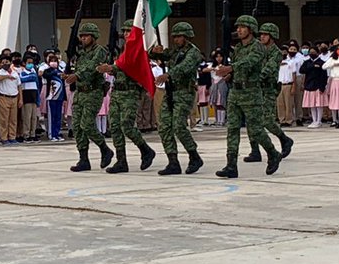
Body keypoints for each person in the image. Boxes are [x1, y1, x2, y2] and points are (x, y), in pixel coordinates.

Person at [215, 15, 279, 179]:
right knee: (232, 129)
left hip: (251, 93)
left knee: (256, 130)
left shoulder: (257, 47)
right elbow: (239, 68)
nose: (239, 30)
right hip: (235, 93)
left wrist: (230, 68)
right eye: (238, 27)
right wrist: (230, 74)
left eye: (242, 27)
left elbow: (251, 62)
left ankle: (272, 153)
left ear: (251, 29)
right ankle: (231, 165)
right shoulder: (238, 48)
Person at [98, 20, 156, 173]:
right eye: (124, 31)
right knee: (115, 127)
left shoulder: (138, 50)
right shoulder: (123, 50)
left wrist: (113, 67)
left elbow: (130, 65)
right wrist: (112, 70)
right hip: (117, 91)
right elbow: (121, 68)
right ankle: (121, 161)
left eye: (128, 31)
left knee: (127, 126)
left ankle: (145, 150)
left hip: (131, 92)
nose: (125, 34)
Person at [152, 22, 204, 176]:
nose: (176, 39)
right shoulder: (175, 52)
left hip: (184, 93)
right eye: (174, 36)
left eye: (179, 36)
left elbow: (185, 67)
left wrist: (168, 75)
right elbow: (157, 56)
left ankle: (194, 156)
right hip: (171, 93)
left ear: (187, 37)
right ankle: (172, 161)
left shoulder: (193, 52)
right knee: (164, 126)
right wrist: (155, 52)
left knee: (179, 126)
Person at [63, 23, 114, 172]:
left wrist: (77, 75)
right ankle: (83, 159)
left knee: (87, 124)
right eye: (81, 36)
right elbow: (78, 70)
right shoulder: (81, 53)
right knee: (78, 127)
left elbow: (92, 67)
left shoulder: (100, 51)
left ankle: (105, 149)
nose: (83, 38)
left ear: (94, 37)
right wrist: (69, 75)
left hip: (93, 92)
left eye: (86, 36)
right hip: (80, 93)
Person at [245, 23, 294, 158]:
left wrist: (258, 77)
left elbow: (269, 68)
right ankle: (255, 151)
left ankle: (284, 139)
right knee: (251, 120)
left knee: (267, 120)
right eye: (261, 34)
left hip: (268, 89)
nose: (262, 37)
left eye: (265, 35)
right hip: (256, 89)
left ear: (272, 37)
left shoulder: (276, 53)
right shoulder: (257, 49)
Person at [0, 56, 21, 145]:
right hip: (3, 97)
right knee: (3, 119)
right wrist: (8, 76)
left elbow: (19, 86)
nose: (5, 64)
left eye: (7, 62)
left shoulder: (15, 73)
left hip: (14, 97)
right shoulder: (0, 72)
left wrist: (21, 99)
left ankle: (12, 137)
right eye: (3, 62)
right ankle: (4, 138)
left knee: (13, 119)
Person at [299, 48, 327, 128]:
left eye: (314, 52)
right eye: (310, 52)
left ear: (318, 53)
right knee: (312, 105)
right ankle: (314, 120)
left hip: (318, 85)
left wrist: (322, 87)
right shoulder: (307, 62)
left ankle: (319, 120)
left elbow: (324, 76)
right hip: (309, 85)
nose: (312, 53)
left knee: (319, 105)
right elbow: (301, 70)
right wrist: (312, 66)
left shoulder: (321, 63)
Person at [41, 53, 66, 142]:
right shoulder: (48, 71)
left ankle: (57, 133)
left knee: (58, 117)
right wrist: (53, 71)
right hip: (51, 97)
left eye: (55, 61)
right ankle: (52, 134)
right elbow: (45, 75)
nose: (54, 63)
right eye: (52, 61)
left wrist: (65, 98)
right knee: (52, 117)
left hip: (60, 97)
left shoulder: (60, 71)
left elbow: (63, 84)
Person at [18, 56, 41, 142]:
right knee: (27, 117)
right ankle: (26, 134)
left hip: (34, 94)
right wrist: (31, 77)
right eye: (28, 63)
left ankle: (33, 133)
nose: (30, 64)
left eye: (32, 63)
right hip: (26, 95)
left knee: (33, 117)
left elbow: (36, 81)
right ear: (24, 63)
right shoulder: (22, 72)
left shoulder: (33, 71)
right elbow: (22, 79)